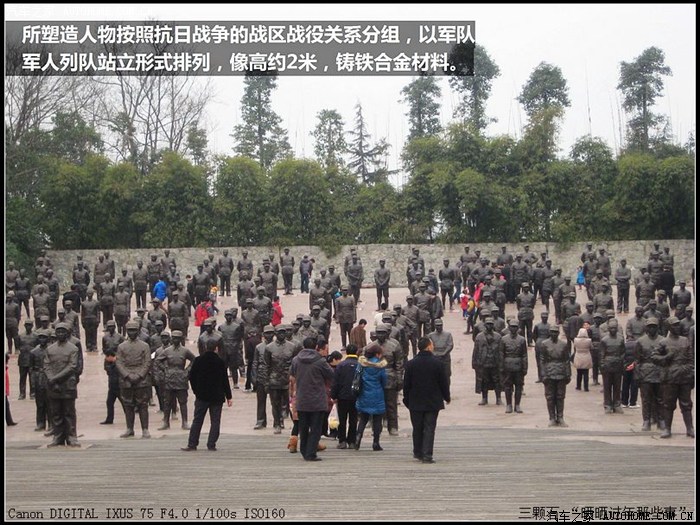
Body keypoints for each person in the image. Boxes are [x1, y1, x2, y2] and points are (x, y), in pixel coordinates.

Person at [181, 333, 233, 452]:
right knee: (215, 421)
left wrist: (196, 391)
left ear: (205, 347)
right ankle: (211, 444)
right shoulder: (220, 362)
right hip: (217, 396)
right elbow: (225, 381)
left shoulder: (198, 360)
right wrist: (229, 396)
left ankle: (192, 444)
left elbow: (191, 377)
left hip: (202, 396)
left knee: (197, 420)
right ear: (216, 348)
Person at [403, 336, 450, 463]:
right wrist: (447, 397)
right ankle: (427, 454)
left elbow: (406, 384)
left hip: (415, 401)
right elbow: (443, 383)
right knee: (429, 428)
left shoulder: (411, 364)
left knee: (417, 427)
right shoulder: (438, 363)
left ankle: (418, 452)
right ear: (429, 347)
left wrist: (406, 399)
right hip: (432, 401)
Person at [289, 337, 334, 461]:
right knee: (316, 428)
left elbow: (292, 375)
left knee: (303, 427)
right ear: (316, 347)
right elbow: (331, 375)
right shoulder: (320, 361)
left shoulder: (296, 360)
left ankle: (304, 450)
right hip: (317, 400)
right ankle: (311, 453)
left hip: (302, 399)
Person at [656, 317, 694, 439]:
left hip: (684, 378)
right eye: (674, 325)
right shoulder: (663, 342)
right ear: (669, 327)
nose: (677, 327)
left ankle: (690, 428)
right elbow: (654, 357)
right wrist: (666, 357)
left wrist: (685, 369)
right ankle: (667, 429)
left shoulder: (685, 341)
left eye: (678, 325)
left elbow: (691, 360)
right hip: (670, 378)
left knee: (686, 404)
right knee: (668, 404)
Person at [44, 323, 80, 446]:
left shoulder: (73, 348)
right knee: (56, 412)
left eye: (63, 332)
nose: (60, 334)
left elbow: (72, 366)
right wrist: (51, 379)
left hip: (67, 384)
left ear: (68, 333)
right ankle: (58, 436)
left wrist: (55, 378)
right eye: (58, 332)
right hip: (53, 385)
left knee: (69, 412)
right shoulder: (50, 349)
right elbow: (46, 365)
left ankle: (71, 436)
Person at [115, 320, 152, 439]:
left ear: (138, 331)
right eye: (130, 330)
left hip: (141, 379)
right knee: (128, 404)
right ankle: (129, 428)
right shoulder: (121, 346)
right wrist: (127, 375)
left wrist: (140, 375)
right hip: (126, 379)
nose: (132, 333)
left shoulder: (144, 346)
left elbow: (147, 362)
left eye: (134, 330)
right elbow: (119, 363)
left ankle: (145, 429)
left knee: (143, 404)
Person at [354, 342, 387, 451]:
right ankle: (376, 442)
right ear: (377, 354)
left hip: (364, 393)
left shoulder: (362, 364)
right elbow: (384, 380)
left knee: (363, 418)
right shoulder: (380, 366)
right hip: (377, 394)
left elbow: (356, 376)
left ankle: (358, 438)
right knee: (377, 419)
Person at [540, 325, 571, 427]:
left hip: (561, 372)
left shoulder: (563, 344)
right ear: (549, 332)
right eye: (552, 332)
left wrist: (568, 374)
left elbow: (567, 360)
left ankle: (560, 417)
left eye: (556, 332)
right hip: (549, 373)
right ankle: (552, 417)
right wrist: (543, 374)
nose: (554, 334)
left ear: (558, 333)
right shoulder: (544, 344)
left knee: (560, 396)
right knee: (550, 397)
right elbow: (542, 360)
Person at [330, 344, 360, 450]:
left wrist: (333, 395)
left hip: (342, 396)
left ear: (346, 352)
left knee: (342, 419)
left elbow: (335, 382)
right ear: (356, 352)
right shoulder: (360, 365)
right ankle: (352, 441)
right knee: (353, 419)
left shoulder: (341, 365)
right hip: (355, 396)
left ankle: (342, 440)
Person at [499, 319, 528, 413]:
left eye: (515, 327)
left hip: (518, 365)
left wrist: (525, 367)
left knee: (519, 386)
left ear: (518, 328)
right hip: (507, 365)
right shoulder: (504, 339)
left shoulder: (522, 340)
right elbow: (501, 354)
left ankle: (517, 405)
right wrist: (501, 367)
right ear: (509, 327)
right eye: (512, 327)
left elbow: (524, 355)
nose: (514, 329)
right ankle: (509, 404)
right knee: (508, 386)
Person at [473, 317, 502, 406]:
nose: (489, 326)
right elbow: (476, 350)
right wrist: (474, 362)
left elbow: (501, 351)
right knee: (484, 381)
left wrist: (501, 362)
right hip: (483, 362)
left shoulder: (498, 336)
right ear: (485, 325)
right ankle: (484, 398)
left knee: (497, 381)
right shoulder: (479, 336)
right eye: (488, 324)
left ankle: (498, 398)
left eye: (491, 324)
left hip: (495, 362)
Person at [599, 320, 626, 414]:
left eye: (614, 328)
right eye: (611, 328)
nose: (613, 330)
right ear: (608, 329)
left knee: (617, 386)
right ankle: (607, 405)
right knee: (607, 387)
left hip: (618, 364)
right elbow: (601, 354)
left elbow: (623, 352)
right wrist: (602, 365)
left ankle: (617, 404)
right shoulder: (604, 340)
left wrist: (621, 361)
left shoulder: (621, 339)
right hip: (607, 365)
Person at [30, 330, 51, 431]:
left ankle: (51, 424)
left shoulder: (51, 350)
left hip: (48, 377)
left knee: (50, 403)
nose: (42, 340)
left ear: (48, 339)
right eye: (40, 337)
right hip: (38, 378)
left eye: (44, 337)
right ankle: (40, 423)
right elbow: (31, 369)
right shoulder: (34, 352)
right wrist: (33, 383)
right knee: (40, 403)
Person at [100, 349, 121, 425]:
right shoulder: (109, 363)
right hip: (112, 387)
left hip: (119, 387)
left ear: (111, 356)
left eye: (107, 357)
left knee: (125, 403)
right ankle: (109, 419)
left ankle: (129, 418)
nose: (105, 358)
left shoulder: (119, 362)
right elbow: (107, 369)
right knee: (109, 402)